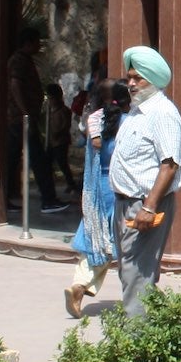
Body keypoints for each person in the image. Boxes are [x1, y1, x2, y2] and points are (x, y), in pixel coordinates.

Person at [111, 46, 181, 321]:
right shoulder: (136, 111)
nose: (131, 83)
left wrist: (149, 206)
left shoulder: (162, 112)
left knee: (136, 275)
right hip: (124, 203)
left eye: (138, 78)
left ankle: (135, 346)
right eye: (129, 77)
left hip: (145, 205)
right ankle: (162, 329)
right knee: (131, 272)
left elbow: (170, 164)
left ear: (153, 79)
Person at [63, 78, 129, 315]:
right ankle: (80, 286)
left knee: (97, 239)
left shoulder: (93, 119)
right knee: (119, 243)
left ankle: (80, 286)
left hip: (96, 186)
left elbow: (85, 144)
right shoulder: (129, 122)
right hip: (119, 186)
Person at [4, 25, 64, 213]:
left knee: (15, 157)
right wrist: (25, 113)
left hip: (23, 117)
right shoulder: (19, 61)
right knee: (37, 158)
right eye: (37, 42)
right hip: (21, 118)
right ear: (28, 43)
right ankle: (48, 199)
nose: (39, 46)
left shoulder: (24, 60)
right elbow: (15, 85)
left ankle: (5, 197)